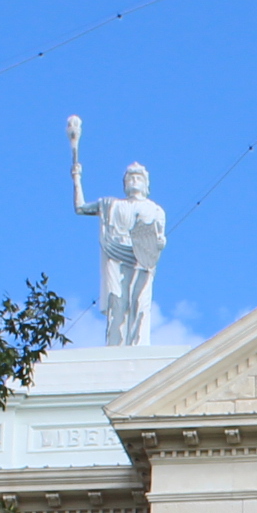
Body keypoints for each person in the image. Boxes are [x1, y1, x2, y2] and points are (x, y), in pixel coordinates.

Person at [68, 116, 166, 346]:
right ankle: (115, 344)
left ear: (146, 184)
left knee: (140, 302)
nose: (134, 180)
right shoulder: (111, 204)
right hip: (115, 253)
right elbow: (81, 208)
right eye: (130, 177)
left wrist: (158, 243)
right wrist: (77, 179)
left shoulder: (155, 210)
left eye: (138, 177)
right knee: (117, 302)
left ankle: (139, 344)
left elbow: (159, 240)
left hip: (141, 259)